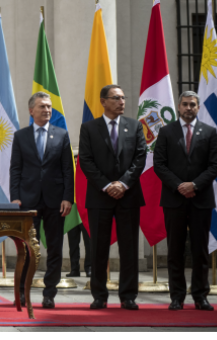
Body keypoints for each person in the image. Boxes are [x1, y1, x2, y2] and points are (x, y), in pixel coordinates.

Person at [78, 84, 147, 310]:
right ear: (103, 101)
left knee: (129, 248)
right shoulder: (89, 128)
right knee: (98, 249)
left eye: (123, 97)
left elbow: (140, 158)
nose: (121, 102)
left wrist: (123, 184)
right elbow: (86, 161)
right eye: (116, 98)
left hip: (128, 196)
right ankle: (99, 295)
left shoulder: (135, 126)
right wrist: (107, 185)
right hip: (100, 196)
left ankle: (128, 296)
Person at [153, 91, 217, 311]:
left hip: (201, 199)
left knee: (200, 250)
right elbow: (159, 165)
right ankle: (177, 297)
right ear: (179, 107)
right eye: (185, 104)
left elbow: (215, 165)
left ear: (198, 108)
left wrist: (195, 185)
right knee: (175, 250)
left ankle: (201, 296)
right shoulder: (165, 132)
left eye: (193, 104)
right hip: (174, 200)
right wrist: (179, 186)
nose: (189, 108)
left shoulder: (210, 133)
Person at [10, 92, 74, 309]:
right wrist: (15, 197)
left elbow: (68, 169)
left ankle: (49, 293)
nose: (47, 110)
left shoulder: (62, 134)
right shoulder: (21, 136)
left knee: (55, 248)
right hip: (27, 201)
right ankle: (21, 292)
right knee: (27, 249)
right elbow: (15, 169)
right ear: (31, 110)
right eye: (42, 107)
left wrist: (68, 198)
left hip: (56, 201)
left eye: (49, 107)